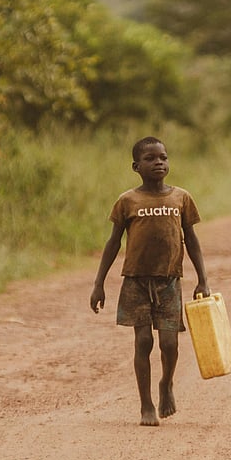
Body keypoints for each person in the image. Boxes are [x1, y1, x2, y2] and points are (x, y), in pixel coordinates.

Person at [90, 136, 210, 427]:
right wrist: (99, 283)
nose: (159, 163)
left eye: (163, 158)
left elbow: (191, 241)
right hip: (135, 282)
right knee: (143, 341)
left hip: (169, 281)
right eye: (151, 158)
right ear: (136, 166)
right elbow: (113, 243)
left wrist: (203, 280)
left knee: (169, 344)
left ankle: (166, 383)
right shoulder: (127, 201)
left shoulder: (181, 198)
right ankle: (146, 404)